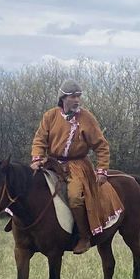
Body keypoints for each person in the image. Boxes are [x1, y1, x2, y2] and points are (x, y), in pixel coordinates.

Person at [30, 80, 116, 254]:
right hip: (51, 163)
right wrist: (37, 158)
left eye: (79, 96)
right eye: (73, 96)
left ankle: (84, 237)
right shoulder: (50, 116)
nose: (77, 100)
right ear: (63, 98)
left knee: (75, 197)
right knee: (30, 188)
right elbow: (40, 139)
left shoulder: (87, 118)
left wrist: (102, 170)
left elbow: (101, 146)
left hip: (77, 165)